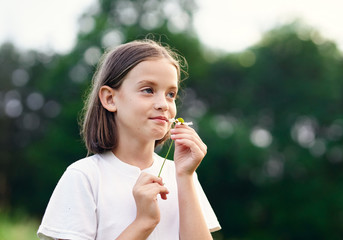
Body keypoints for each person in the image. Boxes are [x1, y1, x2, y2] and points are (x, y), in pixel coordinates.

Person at [37, 39, 221, 240]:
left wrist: (185, 177)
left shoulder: (183, 175)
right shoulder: (84, 177)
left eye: (171, 94)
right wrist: (144, 222)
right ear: (110, 99)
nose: (163, 104)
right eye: (148, 90)